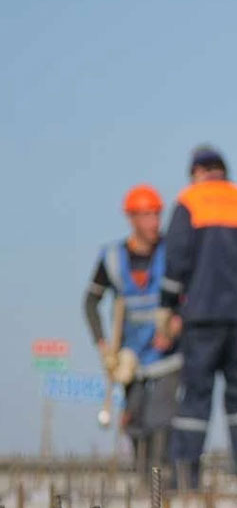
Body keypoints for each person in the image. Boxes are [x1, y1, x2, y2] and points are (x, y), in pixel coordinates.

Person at [158, 145, 237, 488]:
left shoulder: (191, 201)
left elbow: (176, 260)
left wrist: (167, 305)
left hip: (202, 315)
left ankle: (184, 476)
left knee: (195, 394)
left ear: (196, 172)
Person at [83, 184, 182, 475]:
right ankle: (143, 481)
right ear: (132, 218)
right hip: (130, 357)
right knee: (136, 418)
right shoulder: (112, 258)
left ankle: (163, 482)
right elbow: (90, 302)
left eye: (157, 214)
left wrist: (176, 324)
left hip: (168, 354)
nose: (154, 222)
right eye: (147, 215)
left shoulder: (173, 253)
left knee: (161, 417)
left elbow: (192, 294)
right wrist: (103, 346)